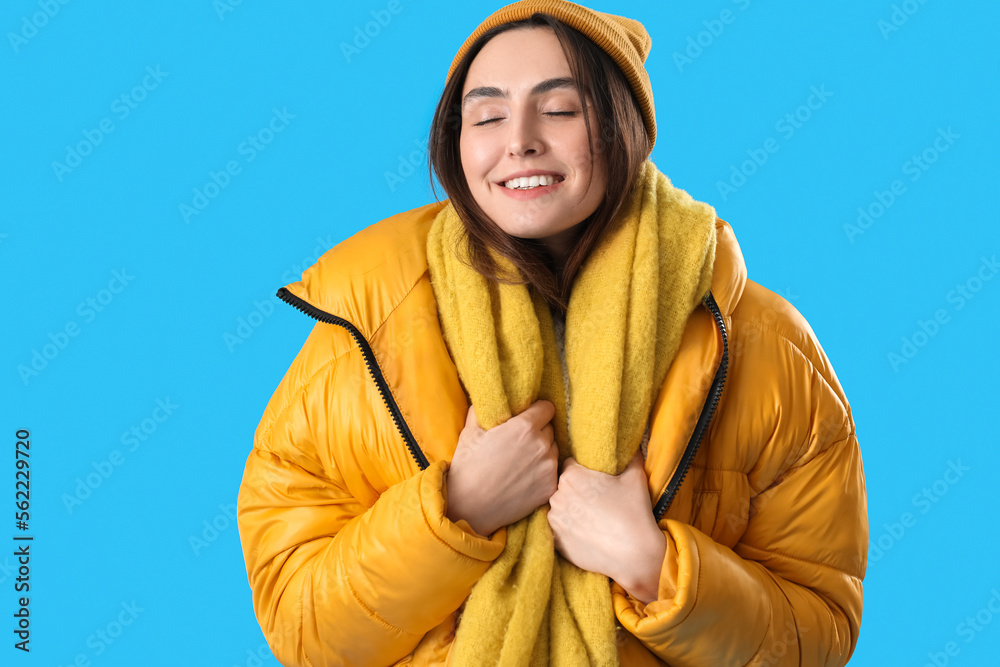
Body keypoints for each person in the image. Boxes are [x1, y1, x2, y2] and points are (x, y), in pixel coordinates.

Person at [236, 1, 869, 665]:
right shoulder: (365, 335)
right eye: (486, 114)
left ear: (625, 127)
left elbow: (816, 633)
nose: (520, 140)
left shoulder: (764, 347)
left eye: (560, 109)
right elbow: (303, 629)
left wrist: (651, 563)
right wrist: (455, 511)